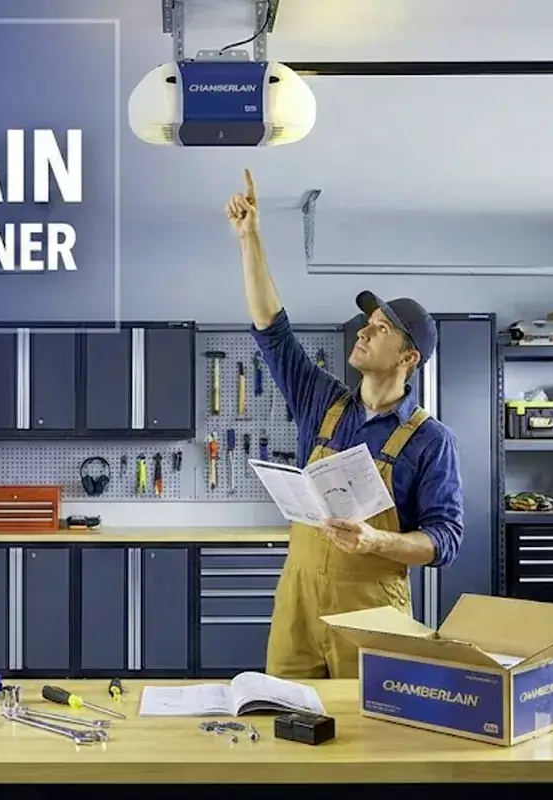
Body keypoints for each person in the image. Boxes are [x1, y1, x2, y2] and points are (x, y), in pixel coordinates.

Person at [227, 168, 464, 679]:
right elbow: (273, 330)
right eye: (366, 323)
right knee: (285, 724)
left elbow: (444, 540)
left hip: (372, 612)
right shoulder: (323, 403)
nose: (364, 332)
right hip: (298, 603)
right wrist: (250, 240)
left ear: (408, 357)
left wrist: (377, 542)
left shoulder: (430, 440)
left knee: (370, 738)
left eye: (380, 330)